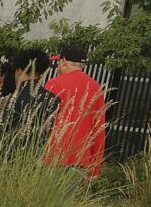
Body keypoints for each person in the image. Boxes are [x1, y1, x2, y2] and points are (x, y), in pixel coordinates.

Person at [44, 39, 108, 182]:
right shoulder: (96, 87)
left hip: (53, 156)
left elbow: (44, 121)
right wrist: (96, 166)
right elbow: (99, 129)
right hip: (82, 159)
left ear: (64, 61)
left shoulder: (53, 84)